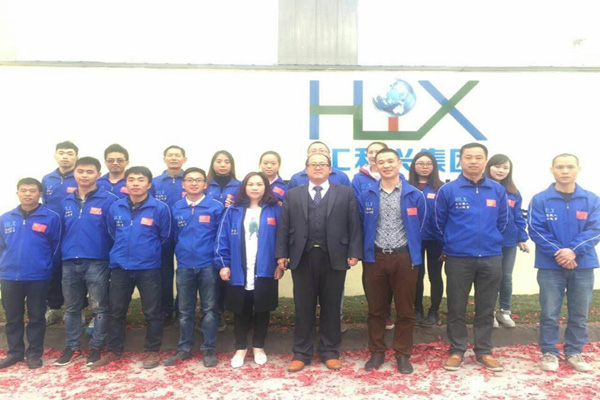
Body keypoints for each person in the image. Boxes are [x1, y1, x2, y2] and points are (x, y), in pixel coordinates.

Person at [275, 153, 362, 372]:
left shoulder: (345, 192)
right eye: (313, 164)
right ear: (306, 169)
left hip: (335, 256)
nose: (317, 167)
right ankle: (301, 353)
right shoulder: (293, 194)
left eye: (322, 164)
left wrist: (354, 251)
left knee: (331, 305)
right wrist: (281, 254)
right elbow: (283, 226)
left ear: (330, 169)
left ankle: (329, 351)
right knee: (303, 306)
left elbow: (354, 223)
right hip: (302, 257)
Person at [435, 142, 508, 372]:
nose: (473, 161)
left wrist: (490, 239)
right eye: (468, 157)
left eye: (478, 157)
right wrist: (452, 243)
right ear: (460, 160)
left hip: (491, 257)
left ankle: (484, 351)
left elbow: (502, 222)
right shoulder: (448, 190)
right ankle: (456, 350)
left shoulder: (497, 190)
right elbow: (439, 223)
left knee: (486, 307)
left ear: (485, 160)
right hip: (458, 258)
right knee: (456, 306)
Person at [90, 166, 171, 370]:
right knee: (116, 311)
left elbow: (165, 237)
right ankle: (113, 350)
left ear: (149, 185)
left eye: (140, 180)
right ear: (125, 184)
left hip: (148, 268)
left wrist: (148, 251)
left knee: (152, 311)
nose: (136, 183)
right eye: (132, 179)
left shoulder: (159, 208)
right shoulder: (116, 207)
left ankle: (152, 350)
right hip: (120, 267)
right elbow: (111, 232)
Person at [528, 153, 600, 373]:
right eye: (560, 167)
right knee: (549, 312)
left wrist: (573, 251)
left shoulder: (591, 199)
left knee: (579, 313)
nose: (565, 171)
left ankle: (574, 352)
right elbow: (536, 230)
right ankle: (549, 352)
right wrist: (560, 253)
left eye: (570, 166)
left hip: (583, 265)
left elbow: (595, 229)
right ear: (552, 170)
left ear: (578, 169)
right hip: (550, 266)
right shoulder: (540, 199)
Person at [358, 149, 426, 374]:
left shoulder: (414, 194)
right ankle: (377, 352)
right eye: (381, 162)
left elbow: (422, 224)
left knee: (405, 310)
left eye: (390, 161)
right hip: (375, 258)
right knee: (376, 309)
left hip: (405, 258)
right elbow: (361, 224)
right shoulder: (367, 194)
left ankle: (403, 354)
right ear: (375, 166)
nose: (386, 165)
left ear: (399, 163)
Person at [54, 157, 119, 367]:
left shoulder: (109, 200)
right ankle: (72, 347)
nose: (84, 175)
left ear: (98, 175)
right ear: (74, 173)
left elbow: (114, 231)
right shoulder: (66, 202)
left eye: (89, 172)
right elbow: (60, 231)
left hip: (97, 261)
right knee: (72, 308)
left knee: (99, 307)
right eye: (80, 171)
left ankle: (96, 347)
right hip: (69, 261)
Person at [216, 172, 282, 368]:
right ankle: (241, 348)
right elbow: (221, 239)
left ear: (266, 188)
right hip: (239, 269)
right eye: (250, 184)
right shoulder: (233, 210)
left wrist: (279, 264)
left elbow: (282, 239)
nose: (254, 187)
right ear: (244, 187)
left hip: (265, 269)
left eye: (259, 184)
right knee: (241, 310)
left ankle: (259, 346)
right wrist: (224, 264)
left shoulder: (275, 210)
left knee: (262, 309)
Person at [164, 167, 224, 368]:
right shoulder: (176, 208)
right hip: (184, 266)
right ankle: (184, 349)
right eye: (190, 180)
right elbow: (172, 236)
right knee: (184, 310)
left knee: (210, 310)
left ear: (205, 184)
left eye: (198, 180)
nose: (194, 183)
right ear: (183, 184)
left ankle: (209, 349)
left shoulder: (215, 207)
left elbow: (221, 237)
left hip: (208, 266)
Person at [0, 178, 61, 369]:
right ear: (17, 193)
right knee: (13, 317)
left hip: (38, 277)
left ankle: (34, 353)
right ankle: (14, 353)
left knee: (36, 317)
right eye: (24, 190)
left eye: (32, 190)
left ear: (40, 194)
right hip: (10, 276)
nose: (28, 194)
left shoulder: (51, 217)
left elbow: (56, 247)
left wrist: (46, 267)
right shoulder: (5, 218)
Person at [485, 154, 529, 328]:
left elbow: (518, 216)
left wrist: (522, 238)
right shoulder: (482, 188)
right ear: (489, 167)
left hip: (509, 241)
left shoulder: (513, 192)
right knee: (489, 277)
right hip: (487, 241)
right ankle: (488, 312)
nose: (501, 170)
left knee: (506, 277)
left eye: (505, 168)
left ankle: (504, 311)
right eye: (497, 166)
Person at [42, 141, 79, 325]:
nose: (65, 156)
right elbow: (45, 204)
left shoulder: (80, 177)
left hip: (74, 231)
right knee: (53, 269)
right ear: (55, 156)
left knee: (76, 272)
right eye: (62, 153)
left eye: (70, 153)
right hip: (52, 233)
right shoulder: (47, 179)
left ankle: (78, 309)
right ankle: (55, 307)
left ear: (76, 157)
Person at [151, 145, 187, 323]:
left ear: (184, 159)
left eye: (177, 155)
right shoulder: (155, 182)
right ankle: (165, 310)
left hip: (186, 234)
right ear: (164, 159)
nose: (174, 158)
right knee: (164, 274)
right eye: (170, 155)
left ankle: (182, 309)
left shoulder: (190, 180)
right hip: (162, 235)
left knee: (185, 273)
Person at [408, 151, 444, 327]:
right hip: (414, 239)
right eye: (420, 163)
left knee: (435, 275)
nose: (424, 166)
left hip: (436, 239)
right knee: (417, 275)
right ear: (414, 166)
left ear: (434, 166)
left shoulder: (441, 188)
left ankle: (434, 311)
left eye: (428, 163)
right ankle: (417, 309)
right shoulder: (406, 186)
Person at [206, 150, 241, 331]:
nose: (222, 164)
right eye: (218, 161)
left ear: (232, 165)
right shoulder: (205, 185)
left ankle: (234, 311)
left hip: (230, 236)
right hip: (208, 236)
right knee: (212, 278)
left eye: (226, 161)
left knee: (229, 274)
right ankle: (215, 313)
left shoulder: (239, 186)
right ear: (213, 164)